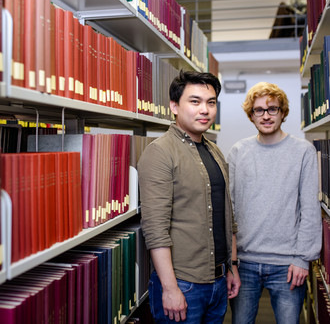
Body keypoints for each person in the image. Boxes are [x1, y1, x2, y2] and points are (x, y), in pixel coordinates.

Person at [137, 70, 240, 323]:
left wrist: (232, 267)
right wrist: (170, 289)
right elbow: (155, 229)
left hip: (218, 281)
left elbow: (228, 214)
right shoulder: (160, 152)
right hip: (184, 284)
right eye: (195, 101)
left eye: (211, 102)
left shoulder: (214, 150)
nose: (204, 110)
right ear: (174, 105)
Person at [227, 81, 322, 324]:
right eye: (259, 110)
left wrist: (303, 259)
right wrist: (232, 261)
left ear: (283, 112)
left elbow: (310, 209)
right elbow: (231, 209)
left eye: (273, 109)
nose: (266, 116)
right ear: (251, 115)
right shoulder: (238, 151)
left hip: (288, 265)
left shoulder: (303, 152)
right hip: (245, 264)